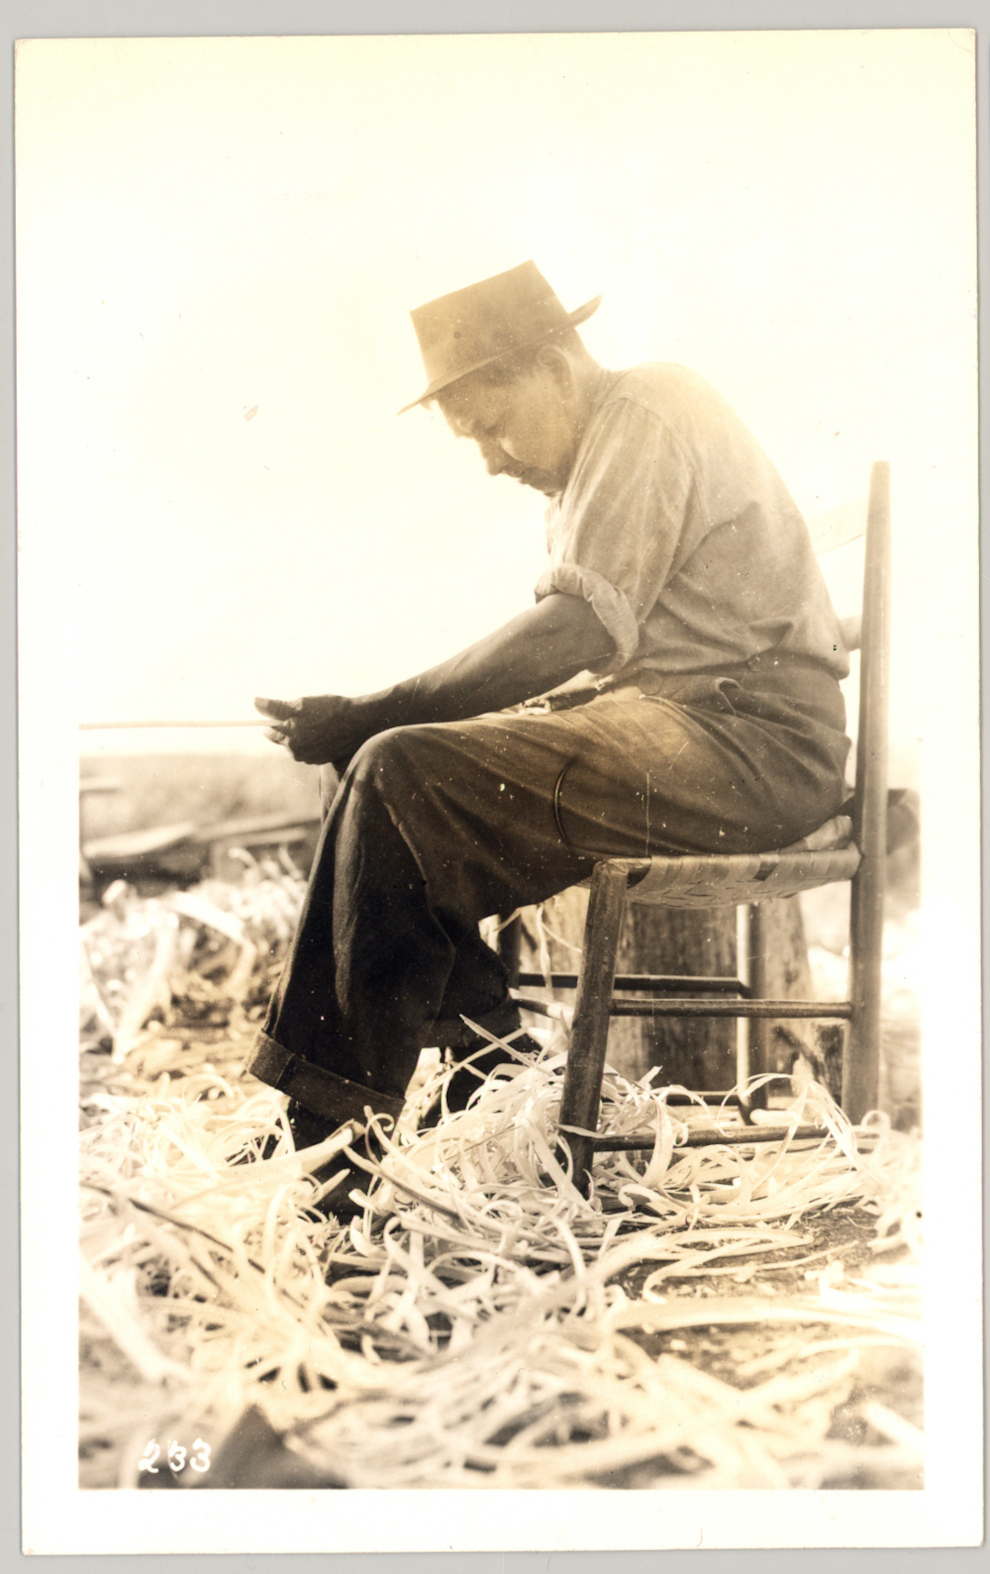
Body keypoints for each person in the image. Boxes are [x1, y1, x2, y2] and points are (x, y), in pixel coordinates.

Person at [247, 260, 850, 1207]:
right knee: (368, 766)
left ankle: (330, 1143)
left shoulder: (647, 410)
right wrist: (369, 725)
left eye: (492, 423)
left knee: (399, 762)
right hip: (680, 724)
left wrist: (379, 707)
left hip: (757, 745)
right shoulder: (583, 467)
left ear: (558, 367)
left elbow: (573, 634)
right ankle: (474, 1064)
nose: (489, 457)